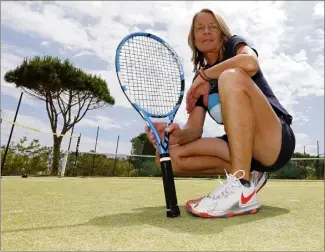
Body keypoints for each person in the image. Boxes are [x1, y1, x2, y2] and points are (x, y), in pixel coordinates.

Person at [145, 8, 295, 218]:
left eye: (212, 27)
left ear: (222, 32)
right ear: (194, 38)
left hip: (274, 140)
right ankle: (251, 177)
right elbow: (194, 130)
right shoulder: (200, 81)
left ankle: (241, 187)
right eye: (200, 28)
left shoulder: (233, 46)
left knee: (230, 77)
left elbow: (250, 63)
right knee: (169, 156)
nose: (206, 31)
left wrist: (205, 76)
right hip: (245, 152)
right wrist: (171, 135)